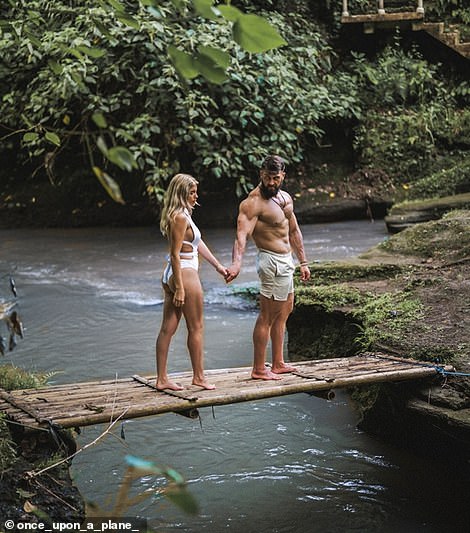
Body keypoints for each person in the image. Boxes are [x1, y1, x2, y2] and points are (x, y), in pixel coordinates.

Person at [226, 155, 311, 380]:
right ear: (260, 175)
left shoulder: (284, 198)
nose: (271, 182)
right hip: (271, 261)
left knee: (285, 311)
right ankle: (258, 369)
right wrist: (236, 263)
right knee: (267, 315)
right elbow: (241, 235)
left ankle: (278, 363)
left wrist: (302, 262)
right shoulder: (252, 203)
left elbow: (294, 231)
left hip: (287, 262)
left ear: (283, 176)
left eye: (275, 178)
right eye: (267, 177)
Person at [156, 173, 228, 391]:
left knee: (168, 328)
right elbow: (176, 254)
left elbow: (198, 245)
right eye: (192, 192)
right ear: (181, 194)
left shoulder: (182, 214)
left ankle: (161, 380)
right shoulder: (180, 217)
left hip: (174, 273)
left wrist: (218, 266)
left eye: (196, 191)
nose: (196, 196)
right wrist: (179, 287)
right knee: (196, 327)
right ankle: (199, 377)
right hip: (184, 273)